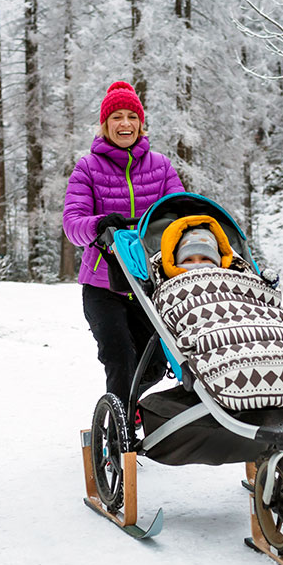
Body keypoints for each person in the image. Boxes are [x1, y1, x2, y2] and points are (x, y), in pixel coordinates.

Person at [62, 81, 185, 410]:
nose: (125, 123)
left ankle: (122, 410)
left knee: (157, 365)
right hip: (104, 285)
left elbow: (180, 212)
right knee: (121, 360)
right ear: (105, 125)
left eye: (132, 116)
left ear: (141, 124)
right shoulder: (87, 168)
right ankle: (119, 443)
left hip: (151, 284)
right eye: (117, 116)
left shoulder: (161, 167)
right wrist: (98, 224)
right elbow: (72, 224)